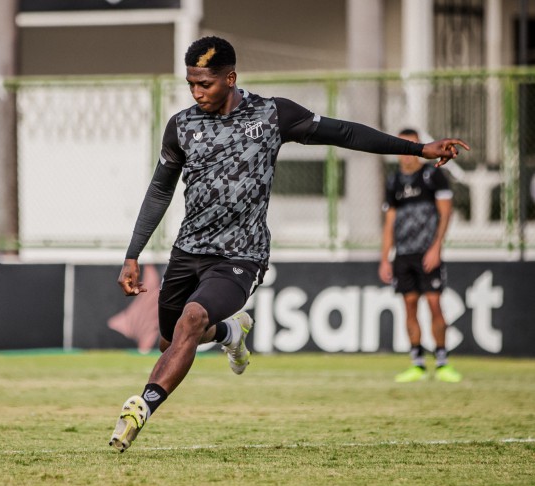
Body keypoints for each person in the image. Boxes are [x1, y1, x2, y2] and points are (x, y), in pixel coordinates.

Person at [109, 36, 470, 452]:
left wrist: (418, 149)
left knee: (191, 320)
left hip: (241, 255)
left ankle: (142, 406)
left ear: (230, 78)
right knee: (171, 342)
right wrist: (132, 254)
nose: (196, 92)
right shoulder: (182, 126)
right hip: (188, 250)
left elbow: (345, 133)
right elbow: (159, 192)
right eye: (190, 83)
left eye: (204, 84)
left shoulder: (272, 114)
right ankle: (230, 332)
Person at [379, 128, 463, 384]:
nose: (407, 154)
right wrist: (385, 258)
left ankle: (442, 361)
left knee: (435, 304)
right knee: (409, 306)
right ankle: (417, 362)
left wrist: (436, 247)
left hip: (428, 253)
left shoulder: (432, 176)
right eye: (403, 147)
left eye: (412, 146)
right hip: (403, 255)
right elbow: (389, 223)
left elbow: (445, 214)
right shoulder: (393, 183)